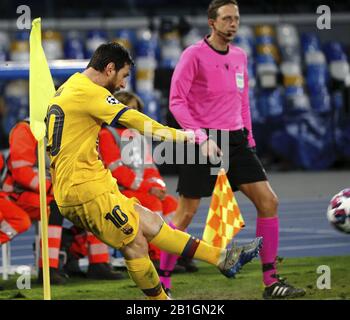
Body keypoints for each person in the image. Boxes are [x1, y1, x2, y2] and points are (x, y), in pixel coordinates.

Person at [46, 41, 262, 300]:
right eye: (124, 76)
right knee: (135, 244)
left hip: (89, 184)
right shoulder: (90, 92)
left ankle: (222, 257)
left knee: (150, 222)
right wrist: (186, 137)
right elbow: (135, 119)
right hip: (85, 190)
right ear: (110, 68)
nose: (124, 85)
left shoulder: (68, 87)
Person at [168, 0, 306, 299]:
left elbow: (242, 102)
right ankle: (161, 284)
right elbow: (176, 102)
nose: (233, 24)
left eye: (236, 19)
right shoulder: (193, 55)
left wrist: (250, 139)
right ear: (211, 22)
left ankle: (271, 282)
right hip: (203, 141)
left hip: (237, 140)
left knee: (269, 202)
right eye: (227, 19)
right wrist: (201, 138)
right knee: (185, 214)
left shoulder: (241, 56)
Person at [3, 120, 123, 284]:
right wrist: (53, 189)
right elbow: (21, 172)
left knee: (93, 202)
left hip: (57, 191)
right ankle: (48, 270)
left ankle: (98, 263)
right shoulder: (26, 129)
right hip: (22, 193)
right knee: (55, 208)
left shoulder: (70, 127)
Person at [98, 91, 195, 275]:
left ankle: (178, 254)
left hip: (142, 190)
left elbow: (151, 168)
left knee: (173, 205)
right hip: (119, 191)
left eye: (135, 109)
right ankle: (156, 257)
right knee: (153, 204)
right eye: (128, 108)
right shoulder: (106, 134)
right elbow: (116, 171)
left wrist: (158, 187)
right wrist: (149, 189)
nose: (133, 112)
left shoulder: (138, 136)